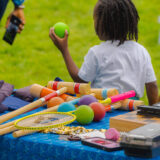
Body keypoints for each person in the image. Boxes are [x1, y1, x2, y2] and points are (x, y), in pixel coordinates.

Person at [49, 0, 159, 105]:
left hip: (104, 109)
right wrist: (153, 116)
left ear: (103, 24)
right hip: (131, 110)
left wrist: (64, 50)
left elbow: (81, 81)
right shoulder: (141, 51)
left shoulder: (97, 52)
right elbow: (152, 85)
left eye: (95, 19)